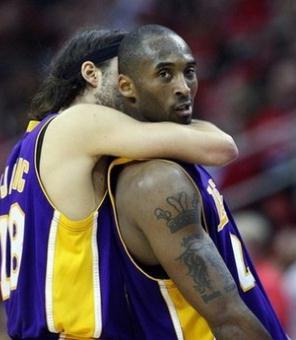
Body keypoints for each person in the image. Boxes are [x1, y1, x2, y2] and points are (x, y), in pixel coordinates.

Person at [0, 28, 238, 339]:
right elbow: (220, 148)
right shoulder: (80, 121)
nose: (134, 86)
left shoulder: (24, 151)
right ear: (91, 73)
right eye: (127, 72)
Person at [106, 24, 289, 339]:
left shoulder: (180, 157)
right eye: (164, 74)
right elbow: (227, 316)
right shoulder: (155, 180)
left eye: (189, 71)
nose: (183, 87)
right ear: (127, 86)